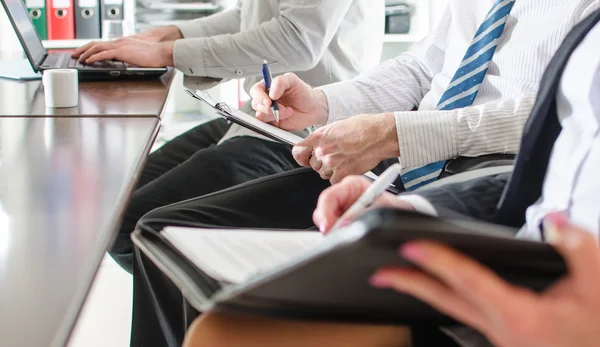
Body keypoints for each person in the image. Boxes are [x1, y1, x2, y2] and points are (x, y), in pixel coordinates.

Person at [131, 3, 600, 346]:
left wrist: (399, 132)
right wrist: (324, 103)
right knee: (163, 234)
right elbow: (423, 67)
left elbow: (553, 116)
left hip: (491, 170)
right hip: (403, 165)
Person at [73, 1, 384, 273]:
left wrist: (166, 52)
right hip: (258, 119)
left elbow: (298, 39)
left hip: (306, 134)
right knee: (119, 200)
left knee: (131, 227)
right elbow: (248, 16)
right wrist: (169, 35)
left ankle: (226, 321)